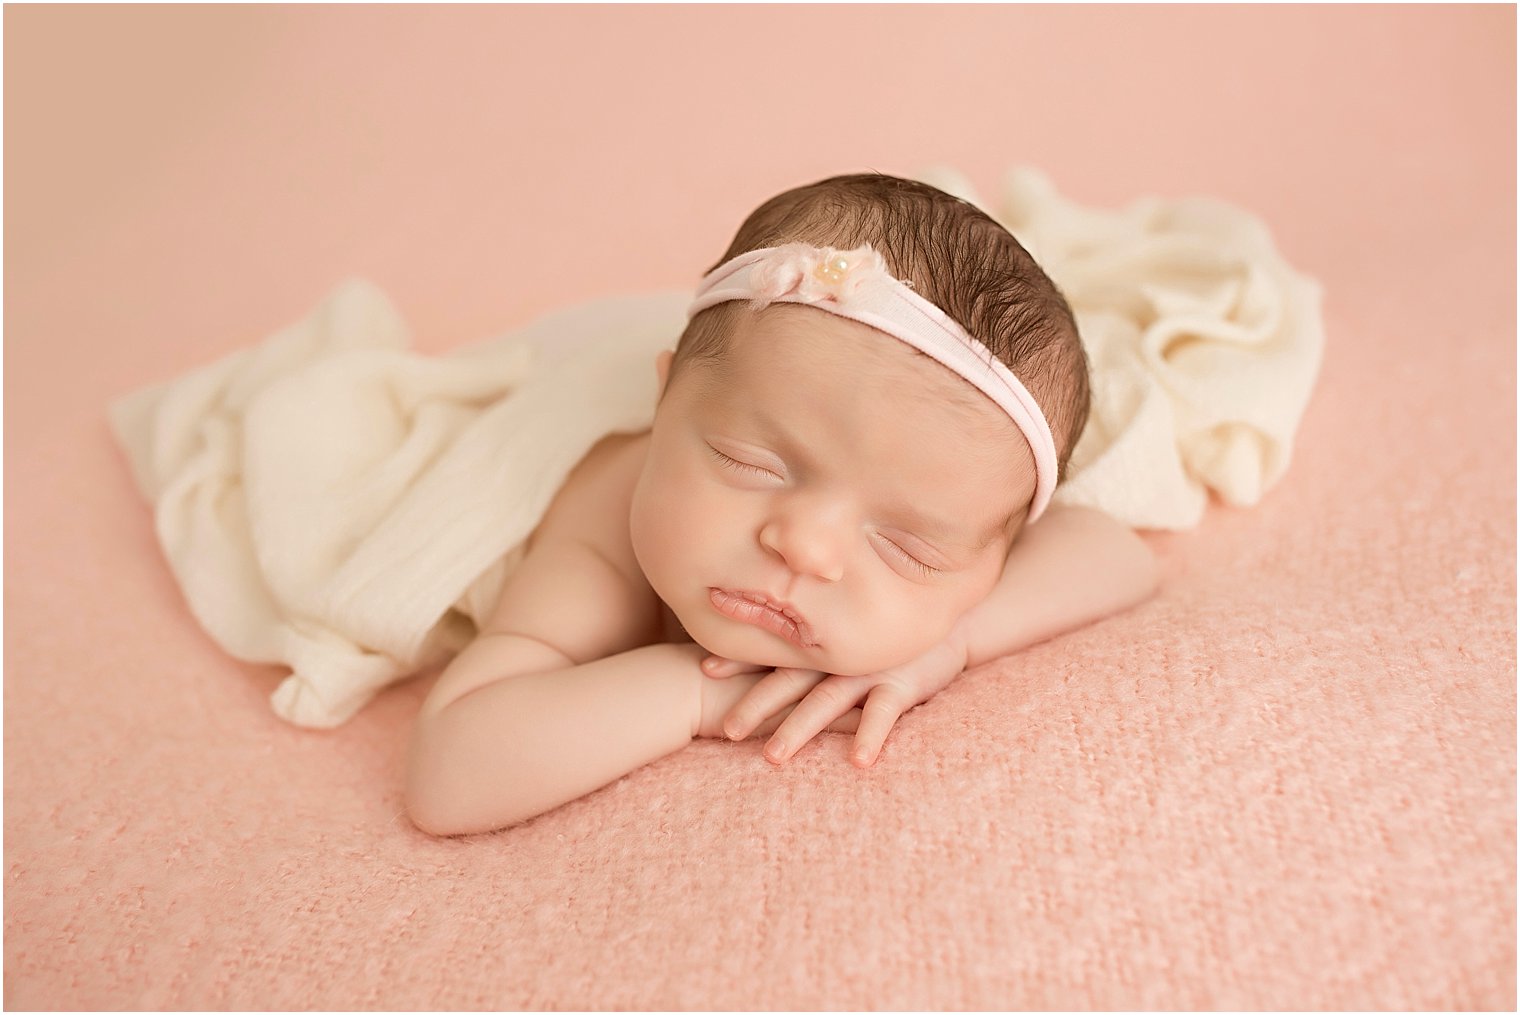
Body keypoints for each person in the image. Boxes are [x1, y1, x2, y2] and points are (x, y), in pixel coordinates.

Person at [405, 174, 1159, 836]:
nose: (806, 548)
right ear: (664, 400)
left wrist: (949, 642)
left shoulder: (959, 490)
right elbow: (451, 773)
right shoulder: (605, 535)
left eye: (908, 547)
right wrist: (698, 693)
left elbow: (1116, 553)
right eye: (751, 464)